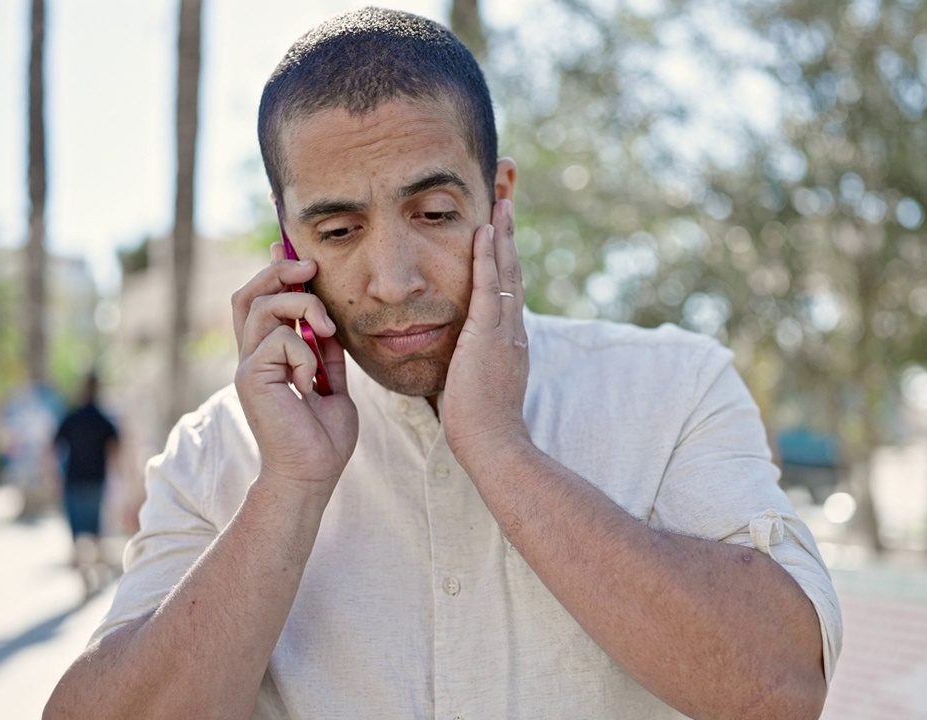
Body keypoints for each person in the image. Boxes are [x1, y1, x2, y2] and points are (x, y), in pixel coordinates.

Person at [46, 8, 842, 719]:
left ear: (499, 198)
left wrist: (498, 446)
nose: (393, 279)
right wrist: (288, 489)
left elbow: (780, 688)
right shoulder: (215, 451)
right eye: (337, 231)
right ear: (286, 235)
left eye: (432, 214)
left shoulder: (674, 388)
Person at [53, 373, 120, 594]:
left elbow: (54, 446)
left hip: (74, 480)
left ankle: (85, 578)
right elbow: (115, 448)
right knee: (96, 529)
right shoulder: (102, 418)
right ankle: (99, 574)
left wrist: (53, 477)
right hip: (96, 480)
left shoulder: (72, 417)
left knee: (77, 533)